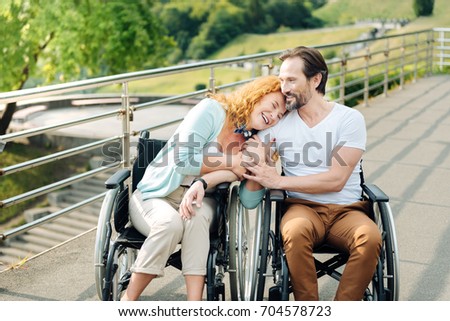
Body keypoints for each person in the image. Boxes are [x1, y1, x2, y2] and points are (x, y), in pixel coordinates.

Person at [121, 75, 287, 301]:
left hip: (203, 198)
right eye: (274, 105)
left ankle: (195, 304)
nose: (274, 117)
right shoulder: (213, 110)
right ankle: (128, 300)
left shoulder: (252, 139)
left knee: (196, 218)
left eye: (280, 116)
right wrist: (234, 162)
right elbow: (182, 159)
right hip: (158, 194)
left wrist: (203, 182)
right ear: (258, 94)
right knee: (170, 224)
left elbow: (241, 186)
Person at [240, 46, 382, 301]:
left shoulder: (349, 119)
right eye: (282, 80)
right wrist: (258, 154)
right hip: (301, 208)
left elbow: (337, 180)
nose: (284, 88)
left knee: (370, 238)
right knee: (294, 232)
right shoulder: (281, 121)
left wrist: (277, 180)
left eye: (291, 80)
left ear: (316, 79)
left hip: (347, 210)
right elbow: (253, 148)